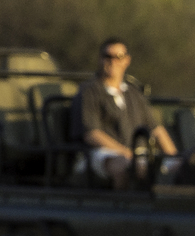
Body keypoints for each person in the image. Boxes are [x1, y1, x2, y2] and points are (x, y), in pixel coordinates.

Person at [73, 37, 177, 188]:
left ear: (127, 60)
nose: (113, 61)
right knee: (127, 165)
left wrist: (174, 157)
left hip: (137, 153)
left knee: (178, 166)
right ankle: (123, 206)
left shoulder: (134, 93)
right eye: (107, 56)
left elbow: (156, 129)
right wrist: (127, 153)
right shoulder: (89, 92)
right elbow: (92, 134)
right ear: (100, 59)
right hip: (102, 154)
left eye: (118, 57)